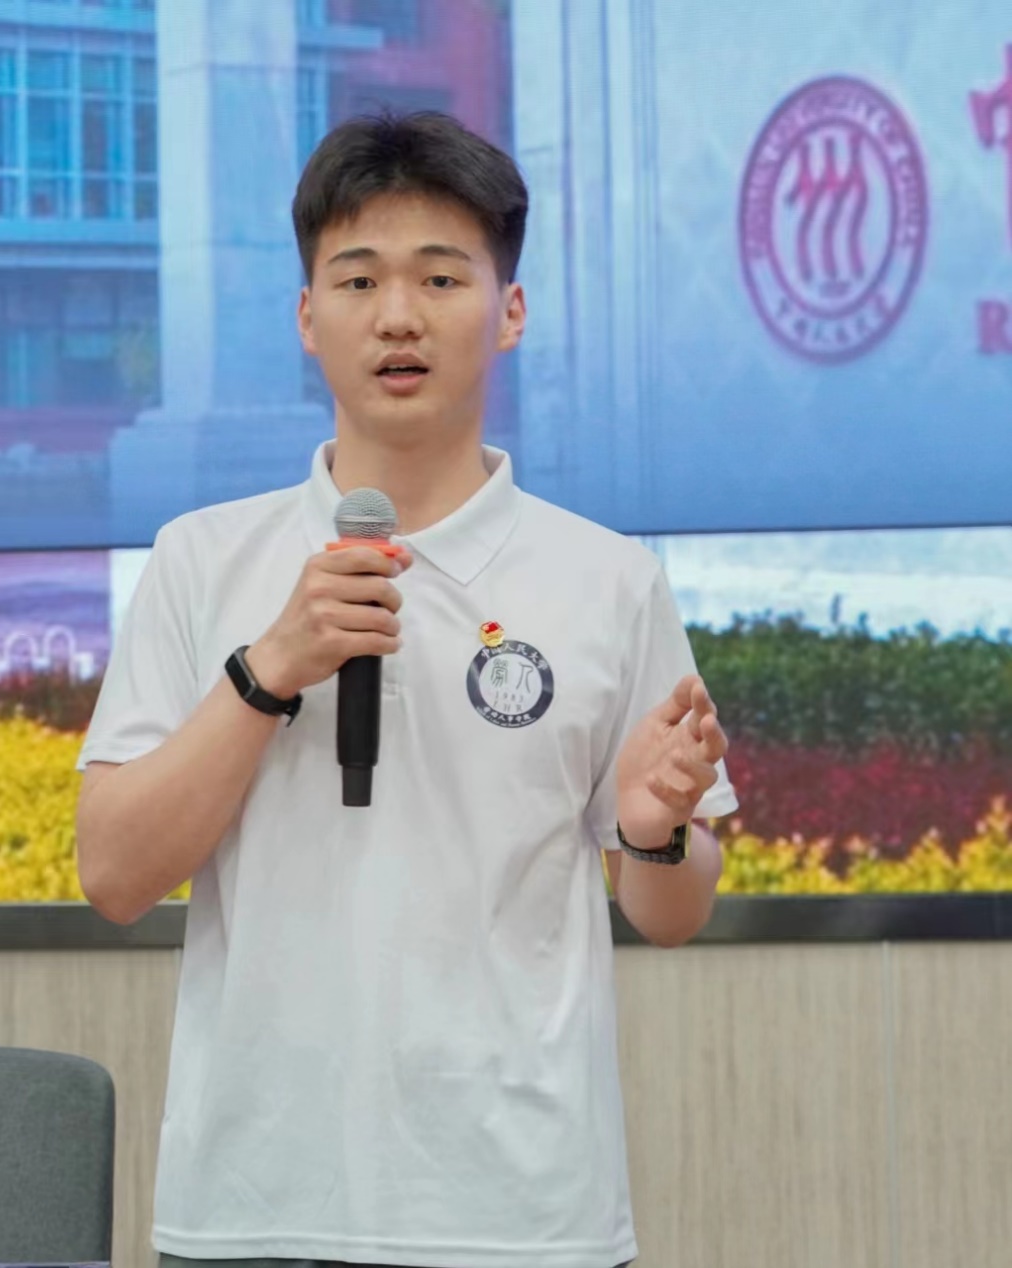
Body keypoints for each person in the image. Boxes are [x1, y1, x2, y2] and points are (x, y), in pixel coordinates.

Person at [76, 110, 737, 1268]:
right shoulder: (201, 558)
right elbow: (115, 874)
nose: (397, 315)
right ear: (306, 316)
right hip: (253, 1204)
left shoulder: (608, 579)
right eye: (358, 279)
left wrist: (653, 826)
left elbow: (668, 913)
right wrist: (267, 669)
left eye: (439, 277)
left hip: (522, 1215)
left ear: (508, 310)